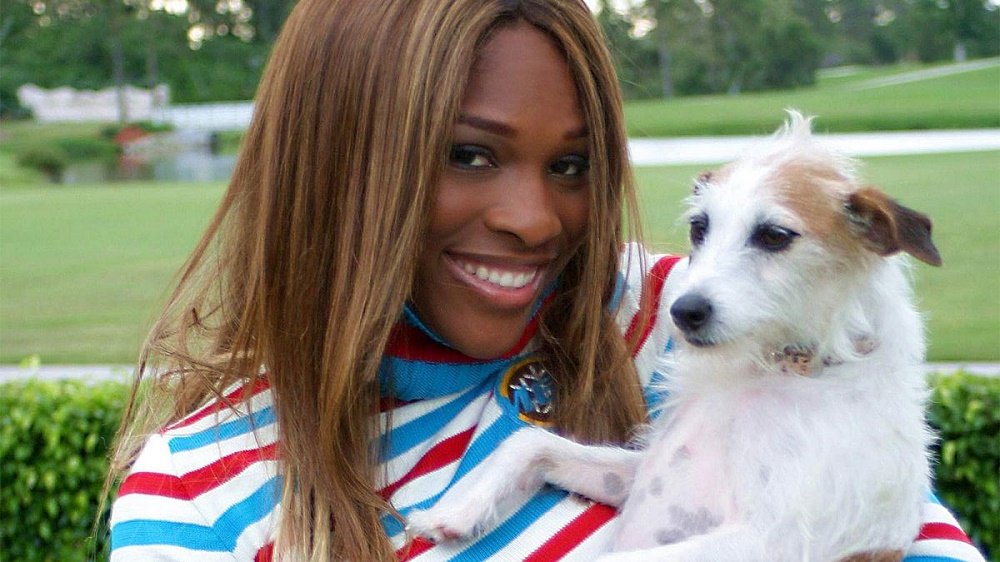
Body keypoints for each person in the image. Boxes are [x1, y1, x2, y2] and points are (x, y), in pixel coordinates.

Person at [106, 1, 984, 561]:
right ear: (336, 161)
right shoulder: (195, 494)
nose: (536, 220)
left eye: (573, 165)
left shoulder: (675, 314)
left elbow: (885, 512)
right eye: (469, 154)